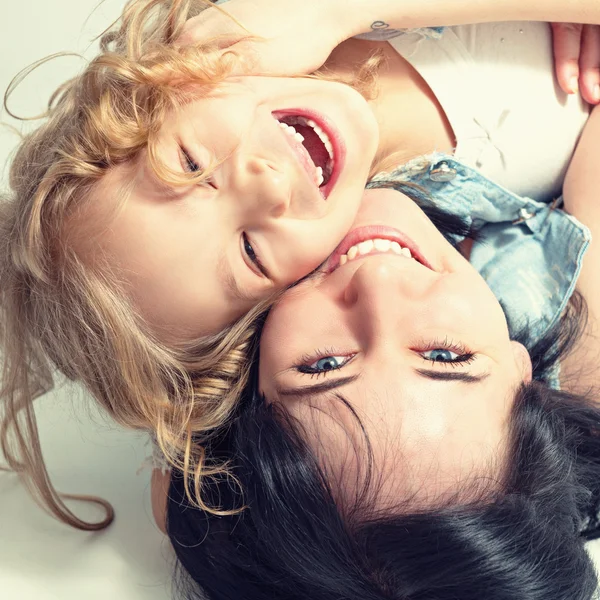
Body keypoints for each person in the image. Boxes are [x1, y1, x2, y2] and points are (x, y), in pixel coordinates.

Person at [0, 0, 598, 529]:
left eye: (188, 164)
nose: (265, 186)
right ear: (273, 306)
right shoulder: (463, 236)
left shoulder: (243, 23)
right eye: (251, 251)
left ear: (147, 99)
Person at [163, 105, 600, 600]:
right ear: (526, 375)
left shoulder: (188, 288)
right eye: (444, 357)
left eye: (323, 365)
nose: (379, 283)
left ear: (250, 393)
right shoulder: (585, 355)